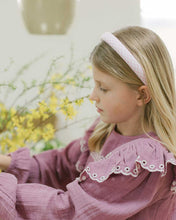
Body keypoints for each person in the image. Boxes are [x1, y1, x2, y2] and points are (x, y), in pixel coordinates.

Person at [0, 26, 176, 220]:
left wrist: (3, 189)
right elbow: (62, 165)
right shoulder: (106, 130)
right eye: (95, 85)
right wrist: (5, 161)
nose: (93, 96)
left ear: (142, 94)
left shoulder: (145, 161)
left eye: (103, 88)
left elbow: (71, 211)